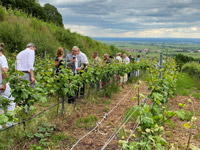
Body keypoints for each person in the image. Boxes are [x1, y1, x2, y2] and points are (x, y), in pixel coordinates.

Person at [0, 43, 15, 128]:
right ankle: (10, 123)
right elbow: (4, 70)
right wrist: (4, 84)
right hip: (2, 85)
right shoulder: (2, 58)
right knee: (11, 101)